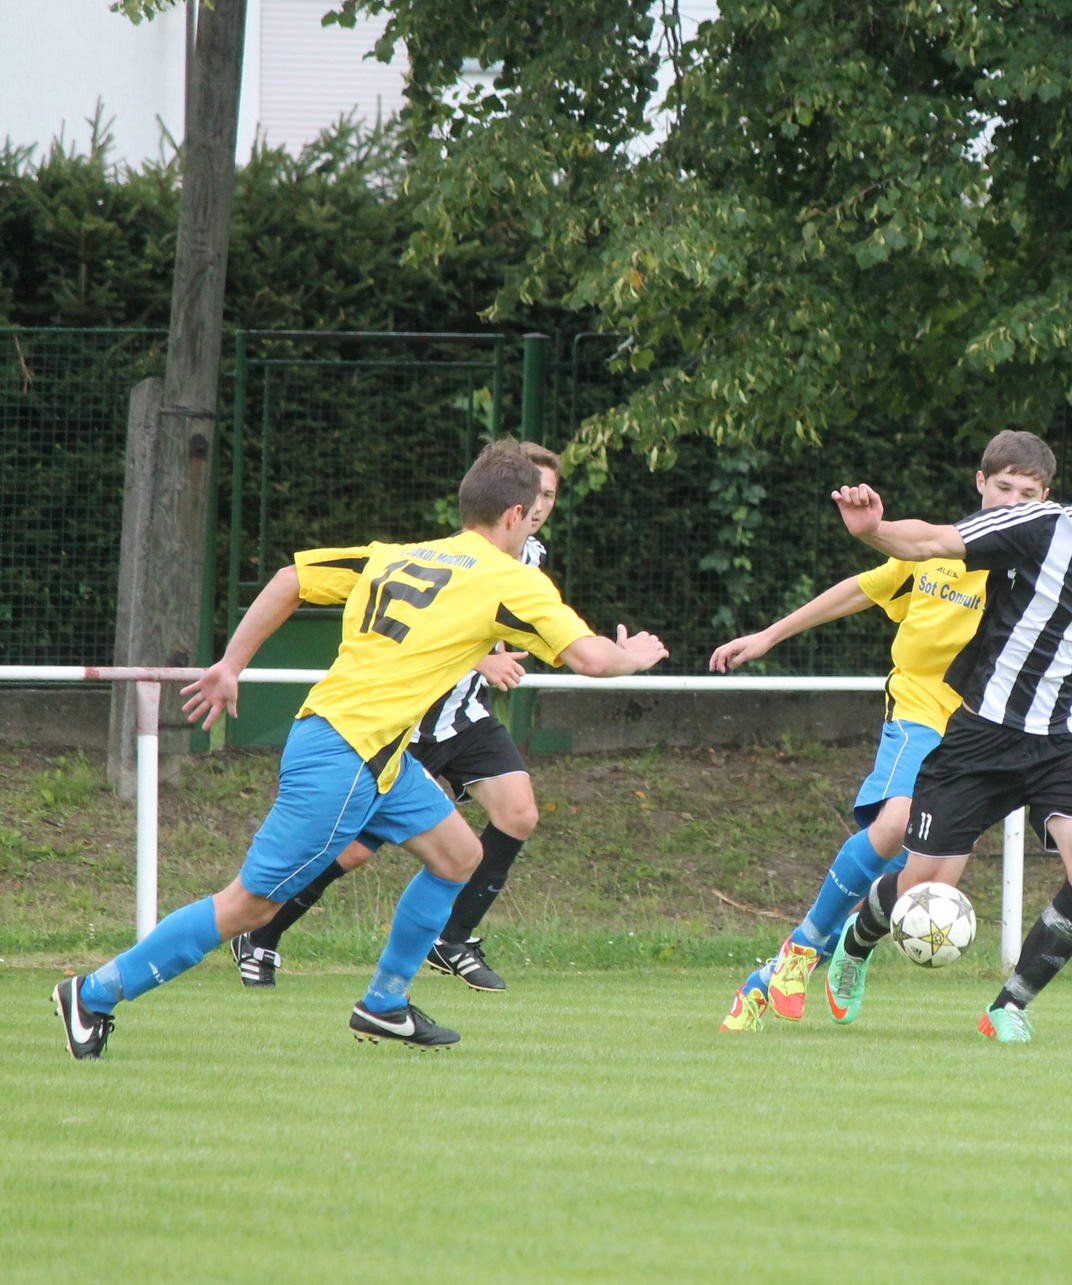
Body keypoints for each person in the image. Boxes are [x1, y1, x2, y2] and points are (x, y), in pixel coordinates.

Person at [51, 441, 667, 1059]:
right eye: (532, 512)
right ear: (514, 515)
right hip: (346, 755)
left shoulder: (396, 555)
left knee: (458, 855)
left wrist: (232, 663)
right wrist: (633, 656)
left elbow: (290, 579)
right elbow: (590, 658)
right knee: (248, 906)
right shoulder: (511, 579)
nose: (534, 521)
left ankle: (384, 1004)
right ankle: (93, 992)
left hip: (372, 752)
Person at [819, 433, 1072, 1044]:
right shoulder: (1035, 526)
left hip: (1066, 740)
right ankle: (856, 941)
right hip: (984, 732)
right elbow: (933, 540)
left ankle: (1009, 1006)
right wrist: (873, 530)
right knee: (923, 886)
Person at [712, 432, 1058, 1032]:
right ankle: (800, 951)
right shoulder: (938, 548)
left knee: (925, 882)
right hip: (918, 707)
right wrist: (768, 636)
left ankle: (791, 970)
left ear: (1045, 500)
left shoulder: (1042, 570)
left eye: (1026, 495)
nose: (1010, 503)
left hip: (980, 730)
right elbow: (861, 588)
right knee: (895, 822)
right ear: (980, 483)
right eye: (1003, 488)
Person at [229, 441, 566, 994]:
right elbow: (432, 624)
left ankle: (452, 938)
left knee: (519, 812)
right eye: (536, 494)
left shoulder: (531, 557)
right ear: (512, 501)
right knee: (354, 848)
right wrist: (483, 658)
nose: (540, 506)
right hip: (411, 719)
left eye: (550, 496)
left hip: (465, 716)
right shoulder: (465, 550)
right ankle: (261, 931)